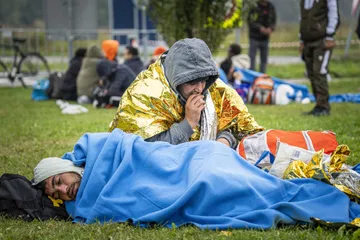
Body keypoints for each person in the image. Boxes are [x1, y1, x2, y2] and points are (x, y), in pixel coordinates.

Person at [31, 129, 360, 229]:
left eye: (58, 179)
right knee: (214, 187)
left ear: (67, 166)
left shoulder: (102, 148)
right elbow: (126, 197)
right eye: (56, 191)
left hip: (193, 157)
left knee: (217, 170)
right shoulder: (85, 204)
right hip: (187, 179)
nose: (63, 189)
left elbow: (136, 149)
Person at [108, 38, 264, 149]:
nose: (199, 88)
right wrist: (188, 123)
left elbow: (244, 132)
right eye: (192, 82)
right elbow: (143, 151)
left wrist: (225, 140)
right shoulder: (145, 93)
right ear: (176, 79)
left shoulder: (215, 89)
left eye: (204, 81)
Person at [300, 0, 340, 116]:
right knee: (311, 73)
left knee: (319, 72)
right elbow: (302, 17)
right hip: (307, 40)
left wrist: (330, 36)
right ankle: (318, 105)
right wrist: (301, 39)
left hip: (322, 40)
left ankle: (324, 106)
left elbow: (334, 14)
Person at [247, 0, 276, 73]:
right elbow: (250, 20)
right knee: (252, 59)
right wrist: (260, 28)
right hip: (254, 37)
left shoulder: (271, 7)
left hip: (265, 38)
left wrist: (270, 29)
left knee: (264, 60)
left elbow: (274, 20)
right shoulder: (254, 6)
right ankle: (252, 74)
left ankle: (262, 76)